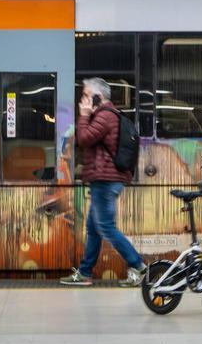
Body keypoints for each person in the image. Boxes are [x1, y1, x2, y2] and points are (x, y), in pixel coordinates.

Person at [60, 78, 148, 287]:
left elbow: (84, 139)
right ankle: (85, 272)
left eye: (85, 95)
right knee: (93, 228)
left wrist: (83, 116)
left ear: (97, 97)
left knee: (106, 227)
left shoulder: (105, 116)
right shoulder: (108, 115)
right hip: (105, 178)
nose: (82, 100)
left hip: (105, 179)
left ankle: (139, 266)